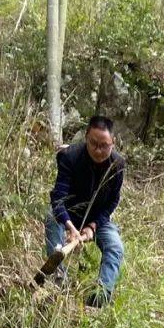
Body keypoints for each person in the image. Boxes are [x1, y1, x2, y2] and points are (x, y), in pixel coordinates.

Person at [46, 114, 125, 307]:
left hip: (97, 219)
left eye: (104, 146)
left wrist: (92, 227)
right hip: (69, 214)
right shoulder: (69, 157)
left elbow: (112, 201)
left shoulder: (117, 165)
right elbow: (58, 199)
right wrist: (70, 226)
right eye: (93, 144)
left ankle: (99, 298)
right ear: (86, 138)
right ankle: (58, 280)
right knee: (50, 218)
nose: (98, 150)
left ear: (112, 143)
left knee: (115, 246)